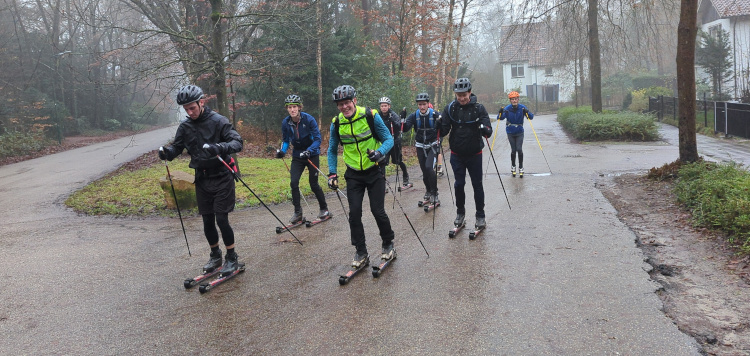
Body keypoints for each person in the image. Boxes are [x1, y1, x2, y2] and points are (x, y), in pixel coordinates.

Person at [158, 85, 244, 276]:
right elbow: (176, 149)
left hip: (222, 176)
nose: (190, 112)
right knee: (207, 220)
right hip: (202, 178)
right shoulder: (185, 127)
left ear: (201, 102)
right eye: (186, 109)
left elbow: (237, 142)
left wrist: (219, 147)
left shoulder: (218, 121)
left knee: (221, 218)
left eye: (192, 108)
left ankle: (232, 257)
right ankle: (215, 255)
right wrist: (166, 153)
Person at [327, 85, 395, 268]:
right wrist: (332, 172)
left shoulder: (370, 115)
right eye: (340, 104)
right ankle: (361, 251)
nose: (344, 107)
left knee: (377, 210)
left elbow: (389, 139)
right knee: (354, 214)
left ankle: (388, 243)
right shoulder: (336, 123)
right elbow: (332, 150)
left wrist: (380, 153)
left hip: (374, 171)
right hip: (353, 174)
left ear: (354, 101)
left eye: (347, 102)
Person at [439, 78, 492, 230]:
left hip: (475, 153)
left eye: (464, 95)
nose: (462, 98)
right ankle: (460, 213)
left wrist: (485, 130)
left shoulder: (478, 108)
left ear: (470, 92)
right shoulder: (450, 108)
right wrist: (438, 126)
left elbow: (488, 130)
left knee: (477, 185)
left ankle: (480, 215)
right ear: (455, 94)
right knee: (459, 184)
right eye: (458, 95)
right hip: (457, 154)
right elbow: (444, 130)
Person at [275, 94, 330, 223]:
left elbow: (317, 139)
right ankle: (298, 213)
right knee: (293, 183)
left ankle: (324, 209)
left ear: (299, 107)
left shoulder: (309, 119)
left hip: (312, 154)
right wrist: (282, 152)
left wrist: (309, 151)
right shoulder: (286, 122)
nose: (292, 109)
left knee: (313, 183)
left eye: (294, 107)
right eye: (289, 107)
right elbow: (286, 140)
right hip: (297, 156)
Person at [403, 93, 440, 206]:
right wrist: (403, 119)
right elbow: (405, 129)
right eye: (420, 104)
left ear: (428, 104)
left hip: (432, 145)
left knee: (429, 168)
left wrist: (440, 125)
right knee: (424, 172)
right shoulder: (414, 116)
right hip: (420, 146)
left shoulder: (435, 114)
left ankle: (434, 193)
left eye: (424, 104)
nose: (422, 107)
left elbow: (442, 131)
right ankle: (428, 191)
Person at [498, 91, 534, 178]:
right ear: (510, 100)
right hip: (510, 131)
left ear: (518, 99)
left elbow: (531, 117)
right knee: (513, 150)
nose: (514, 101)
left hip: (519, 131)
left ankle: (521, 167)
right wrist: (500, 112)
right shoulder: (507, 108)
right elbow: (500, 118)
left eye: (516, 99)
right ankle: (513, 166)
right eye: (512, 99)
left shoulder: (522, 108)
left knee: (519, 149)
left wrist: (527, 112)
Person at [377, 96, 409, 186]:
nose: (383, 107)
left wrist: (393, 122)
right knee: (383, 162)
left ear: (389, 106)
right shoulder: (378, 116)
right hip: (384, 143)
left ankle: (405, 175)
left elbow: (399, 127)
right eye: (382, 106)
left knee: (397, 161)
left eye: (385, 106)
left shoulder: (393, 115)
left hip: (395, 141)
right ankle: (382, 183)